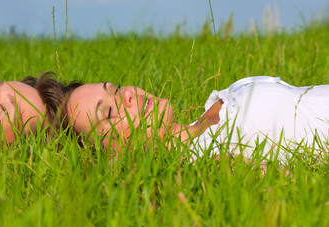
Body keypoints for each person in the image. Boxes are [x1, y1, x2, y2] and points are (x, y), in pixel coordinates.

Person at [65, 76, 329, 158]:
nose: (127, 97)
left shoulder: (208, 116)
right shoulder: (213, 158)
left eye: (115, 89)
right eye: (109, 112)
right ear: (113, 150)